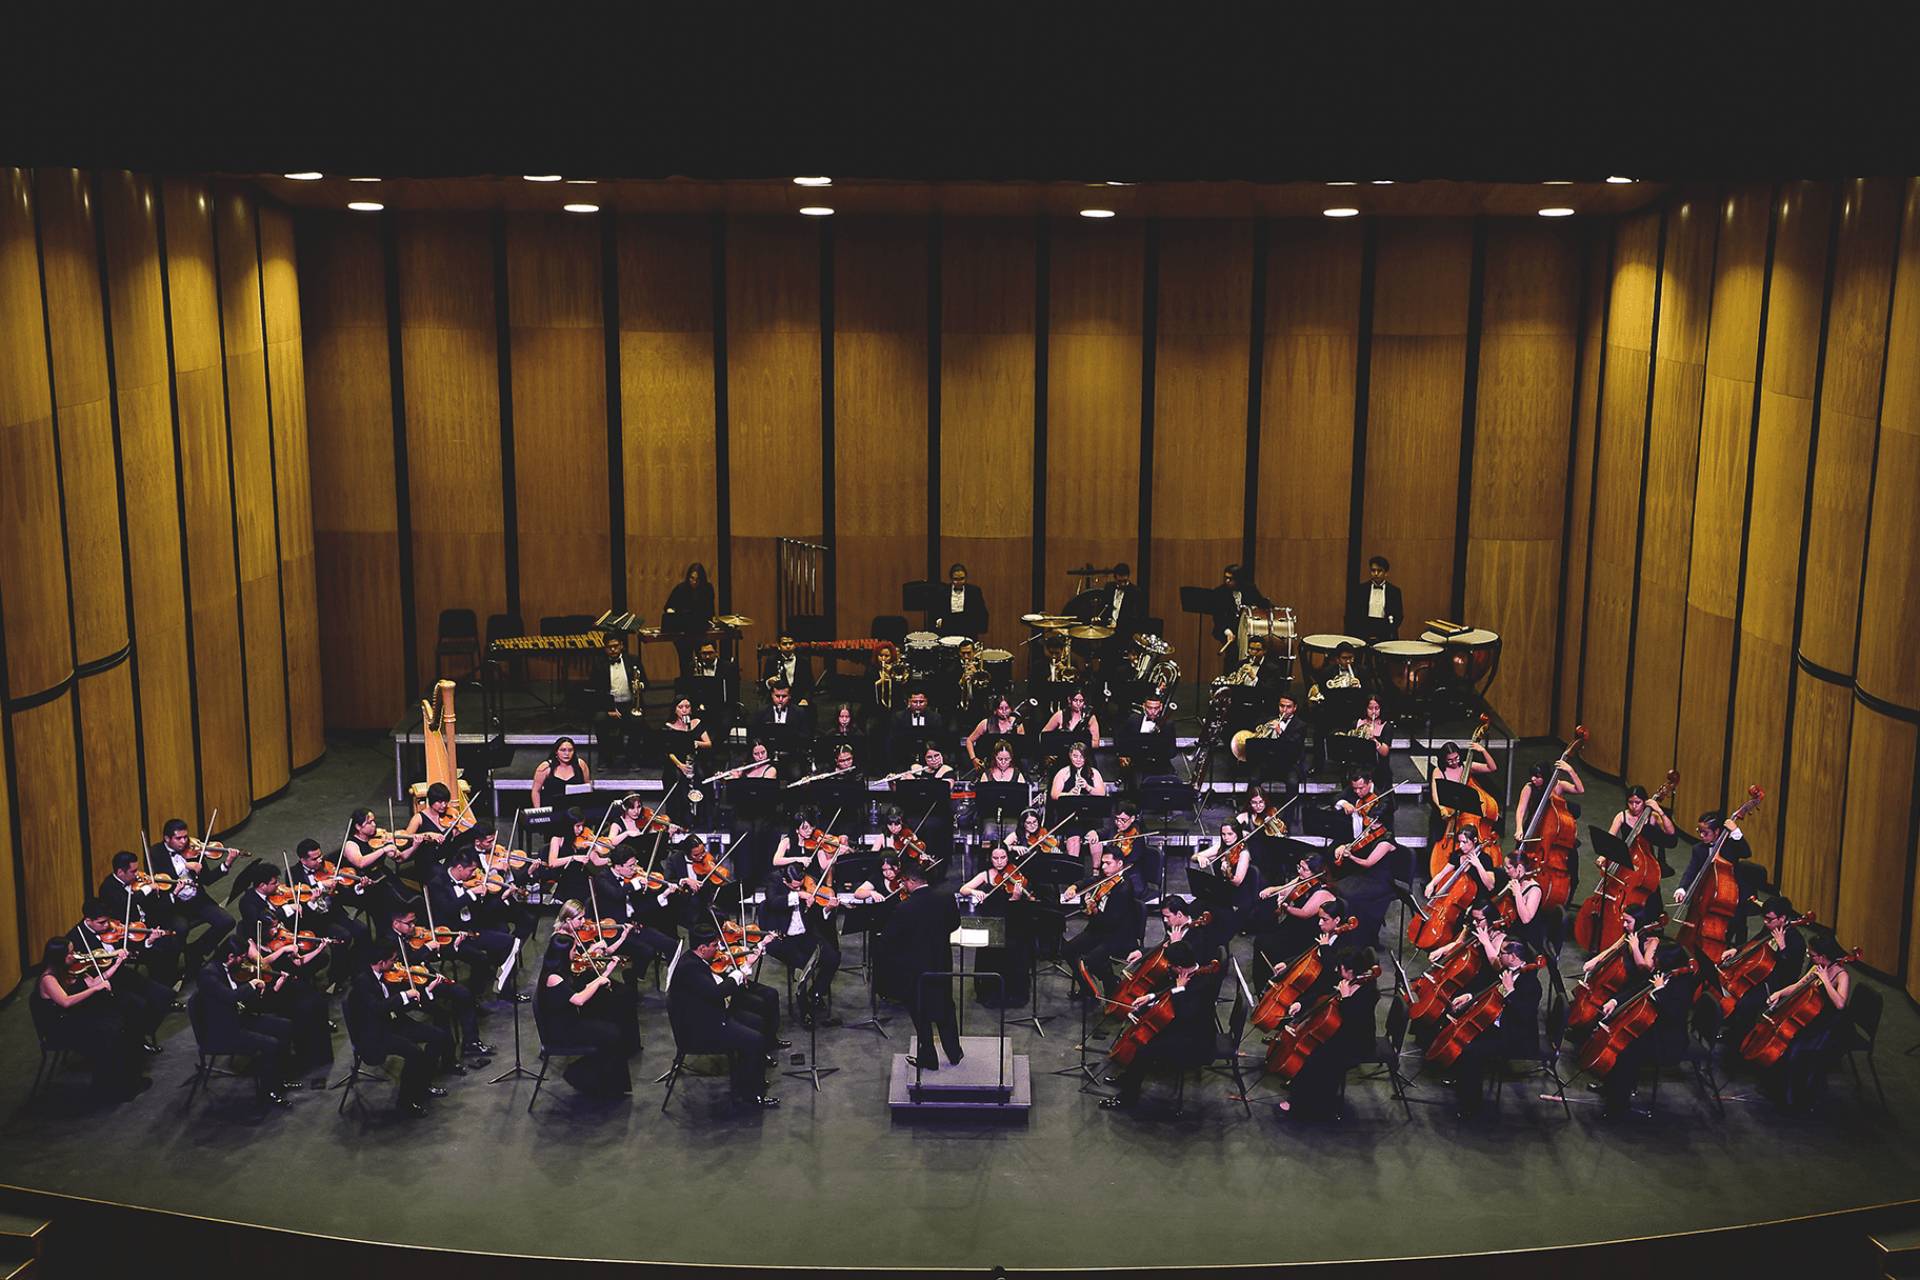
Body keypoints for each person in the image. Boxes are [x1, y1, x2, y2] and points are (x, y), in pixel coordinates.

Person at [1099, 941, 1217, 1110]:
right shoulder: (1187, 974)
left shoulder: (1204, 983)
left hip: (1195, 1039)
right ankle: (1129, 1077)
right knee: (1143, 1038)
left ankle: (1128, 1099)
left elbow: (1185, 1015)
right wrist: (1151, 997)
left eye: (1171, 966)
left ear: (1180, 968)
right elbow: (1169, 988)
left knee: (1144, 1049)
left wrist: (1179, 990)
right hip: (1183, 1026)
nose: (1168, 968)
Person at [668, 935, 782, 1107]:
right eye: (714, 945)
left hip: (707, 1015)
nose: (718, 948)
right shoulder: (691, 969)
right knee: (755, 1040)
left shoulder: (694, 960)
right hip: (701, 1029)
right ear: (702, 948)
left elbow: (709, 988)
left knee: (757, 1021)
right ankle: (752, 1095)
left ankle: (747, 1078)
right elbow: (716, 993)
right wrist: (742, 970)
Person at [1593, 941, 1700, 1119]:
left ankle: (1618, 1106)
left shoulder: (1682, 984)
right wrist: (1615, 1001)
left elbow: (1673, 1015)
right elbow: (1638, 988)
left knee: (1626, 1051)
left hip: (1669, 1040)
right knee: (1624, 1043)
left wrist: (1659, 991)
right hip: (1654, 1029)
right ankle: (1611, 1087)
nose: (1653, 960)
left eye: (1657, 958)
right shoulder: (1663, 972)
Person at [1440, 936, 1543, 1118]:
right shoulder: (1506, 970)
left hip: (1515, 1035)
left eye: (1502, 952)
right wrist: (1470, 996)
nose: (1498, 955)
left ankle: (1471, 1105)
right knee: (1463, 1034)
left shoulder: (1531, 984)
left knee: (1472, 1050)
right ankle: (1464, 1082)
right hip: (1497, 1024)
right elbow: (1488, 988)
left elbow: (1523, 1015)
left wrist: (1511, 992)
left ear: (1513, 957)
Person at [34, 936, 147, 1100]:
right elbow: (66, 1002)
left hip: (74, 1017)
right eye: (70, 953)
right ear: (58, 957)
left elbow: (95, 982)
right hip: (60, 1026)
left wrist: (116, 964)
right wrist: (96, 990)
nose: (75, 956)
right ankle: (110, 1088)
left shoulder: (71, 968)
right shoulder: (48, 979)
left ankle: (124, 1081)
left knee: (119, 1025)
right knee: (109, 1034)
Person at [347, 944, 452, 1116]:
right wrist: (405, 995)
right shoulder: (362, 983)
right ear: (381, 963)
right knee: (415, 1053)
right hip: (375, 1033)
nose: (397, 964)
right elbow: (377, 1009)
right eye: (393, 961)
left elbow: (400, 1005)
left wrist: (427, 990)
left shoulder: (388, 976)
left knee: (438, 1036)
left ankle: (422, 1084)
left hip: (393, 1023)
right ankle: (405, 1102)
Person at [1278, 946, 1381, 1118]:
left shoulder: (1369, 992)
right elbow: (1323, 995)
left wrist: (1346, 998)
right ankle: (1303, 1090)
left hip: (1357, 1041)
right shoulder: (1347, 980)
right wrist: (1301, 1004)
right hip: (1341, 1031)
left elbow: (1355, 1022)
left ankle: (1307, 1104)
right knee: (1317, 1049)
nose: (1337, 970)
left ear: (1350, 970)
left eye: (1340, 968)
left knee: (1319, 1056)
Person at [880, 860, 964, 1070]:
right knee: (945, 1007)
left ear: (910, 881)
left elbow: (891, 938)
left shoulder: (904, 907)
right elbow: (955, 923)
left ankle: (929, 1058)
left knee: (920, 1013)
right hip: (941, 961)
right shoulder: (946, 898)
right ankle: (954, 1053)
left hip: (915, 969)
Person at [384, 906, 495, 1060]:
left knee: (463, 993)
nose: (413, 927)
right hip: (412, 986)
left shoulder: (415, 934)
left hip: (428, 976)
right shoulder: (388, 941)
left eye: (414, 922)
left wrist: (453, 944)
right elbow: (404, 964)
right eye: (409, 924)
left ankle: (471, 1043)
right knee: (440, 1012)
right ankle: (447, 1058)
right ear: (396, 924)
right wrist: (425, 949)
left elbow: (437, 953)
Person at [536, 926, 635, 1097]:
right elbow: (579, 999)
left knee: (610, 1026)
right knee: (612, 1034)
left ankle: (605, 1082)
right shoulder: (553, 977)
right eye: (573, 949)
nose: (576, 953)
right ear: (563, 953)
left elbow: (580, 988)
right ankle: (580, 1075)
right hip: (562, 1030)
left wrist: (606, 973)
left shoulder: (562, 969)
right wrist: (596, 983)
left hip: (569, 1019)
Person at [195, 940, 295, 1106]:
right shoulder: (208, 975)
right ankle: (268, 1092)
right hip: (222, 1030)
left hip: (237, 1018)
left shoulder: (231, 969)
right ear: (230, 957)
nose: (244, 961)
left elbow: (241, 998)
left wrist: (267, 990)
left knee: (284, 1026)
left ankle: (279, 1079)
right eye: (241, 957)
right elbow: (231, 997)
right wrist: (251, 984)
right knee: (271, 1044)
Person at [149, 819, 236, 977]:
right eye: (179, 838)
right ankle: (170, 971)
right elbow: (162, 877)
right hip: (174, 904)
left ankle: (196, 950)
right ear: (167, 838)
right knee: (180, 929)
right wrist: (186, 866)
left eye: (185, 837)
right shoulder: (156, 852)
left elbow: (207, 879)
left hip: (197, 900)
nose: (184, 842)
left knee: (227, 921)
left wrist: (227, 864)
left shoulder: (193, 849)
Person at [1060, 844, 1144, 1002]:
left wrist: (1094, 910)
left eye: (1108, 863)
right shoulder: (1106, 877)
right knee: (1068, 950)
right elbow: (1091, 880)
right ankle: (1087, 989)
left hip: (1117, 934)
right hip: (1099, 928)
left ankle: (1111, 983)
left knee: (1092, 960)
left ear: (1119, 864)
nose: (1103, 867)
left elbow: (1112, 921)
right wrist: (1074, 887)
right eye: (1103, 863)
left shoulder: (1124, 888)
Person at [1330, 769, 1401, 946]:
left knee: (1353, 894)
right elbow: (1337, 799)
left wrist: (1350, 855)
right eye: (1355, 789)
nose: (1357, 793)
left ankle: (1361, 934)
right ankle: (1350, 931)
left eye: (1361, 788)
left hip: (1378, 877)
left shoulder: (1385, 837)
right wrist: (1346, 847)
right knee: (1341, 884)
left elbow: (1368, 863)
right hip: (1365, 870)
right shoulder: (1370, 832)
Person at [95, 850, 185, 989]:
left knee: (175, 937)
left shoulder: (137, 881)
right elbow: (126, 904)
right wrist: (147, 889)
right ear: (120, 872)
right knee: (158, 951)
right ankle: (161, 985)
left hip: (148, 923)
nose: (137, 874)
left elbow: (154, 905)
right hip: (129, 932)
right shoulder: (108, 888)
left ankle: (169, 978)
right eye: (133, 871)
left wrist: (168, 893)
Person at [959, 843, 1034, 1006]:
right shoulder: (985, 875)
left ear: (1008, 857)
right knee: (990, 955)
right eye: (995, 858)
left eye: (1003, 858)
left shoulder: (1016, 874)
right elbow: (963, 889)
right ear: (990, 858)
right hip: (991, 924)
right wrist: (974, 891)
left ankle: (1012, 992)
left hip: (1012, 925)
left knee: (1013, 952)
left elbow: (1022, 908)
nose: (999, 862)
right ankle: (990, 991)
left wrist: (1015, 898)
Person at [587, 631, 645, 766]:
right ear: (604, 648)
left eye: (615, 646)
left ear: (622, 646)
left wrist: (639, 686)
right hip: (609, 706)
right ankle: (605, 757)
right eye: (609, 647)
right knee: (600, 719)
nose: (613, 649)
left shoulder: (633, 660)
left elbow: (646, 683)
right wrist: (609, 709)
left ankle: (632, 757)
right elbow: (595, 690)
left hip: (630, 705)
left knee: (637, 721)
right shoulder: (598, 664)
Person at [1048, 740, 1107, 864]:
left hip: (1090, 817)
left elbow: (1102, 793)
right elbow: (1054, 794)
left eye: (1081, 757)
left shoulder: (1093, 773)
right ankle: (1073, 872)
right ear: (1070, 756)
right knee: (1073, 839)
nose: (1078, 760)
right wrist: (1069, 794)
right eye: (1075, 756)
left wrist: (1087, 787)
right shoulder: (1063, 773)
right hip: (1070, 817)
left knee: (1094, 838)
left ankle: (1096, 872)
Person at [530, 738, 593, 839]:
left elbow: (587, 787)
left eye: (570, 750)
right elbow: (535, 791)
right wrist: (539, 812)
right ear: (556, 751)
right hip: (555, 813)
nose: (567, 754)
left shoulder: (581, 765)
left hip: (576, 813)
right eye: (563, 750)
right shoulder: (545, 767)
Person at [661, 561, 716, 675]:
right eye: (692, 578)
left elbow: (710, 611)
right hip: (683, 633)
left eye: (697, 579)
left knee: (703, 661)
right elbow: (668, 607)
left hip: (700, 631)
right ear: (688, 577)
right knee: (686, 663)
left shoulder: (707, 589)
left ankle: (703, 687)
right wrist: (672, 612)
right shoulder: (681, 589)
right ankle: (686, 689)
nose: (694, 582)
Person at [1210, 563, 1270, 662]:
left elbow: (1261, 603)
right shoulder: (1219, 592)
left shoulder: (1249, 589)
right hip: (1229, 630)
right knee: (1232, 658)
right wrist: (1227, 631)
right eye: (1225, 578)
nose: (1227, 581)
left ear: (1239, 579)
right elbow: (1218, 617)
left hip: (1247, 632)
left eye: (1231, 579)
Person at [1344, 554, 1402, 644]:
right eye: (1373, 570)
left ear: (1386, 573)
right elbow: (1353, 613)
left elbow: (1399, 615)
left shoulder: (1394, 591)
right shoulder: (1360, 589)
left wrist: (1388, 629)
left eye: (1379, 571)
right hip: (1364, 630)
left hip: (1385, 632)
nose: (1376, 573)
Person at [965, 695, 1028, 769]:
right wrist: (973, 758)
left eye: (1006, 708)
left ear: (1011, 709)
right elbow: (969, 740)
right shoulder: (986, 723)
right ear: (995, 710)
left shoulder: (1017, 723)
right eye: (1001, 708)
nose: (1004, 711)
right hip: (991, 765)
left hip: (1012, 764)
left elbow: (1022, 746)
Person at [931, 561, 988, 638]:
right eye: (956, 579)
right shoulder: (942, 592)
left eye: (962, 579)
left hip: (967, 628)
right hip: (948, 628)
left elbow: (981, 610)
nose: (959, 582)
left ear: (966, 577)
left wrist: (978, 628)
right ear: (951, 579)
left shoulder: (974, 591)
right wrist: (939, 623)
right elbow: (936, 610)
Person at [758, 632, 815, 704]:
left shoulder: (804, 661)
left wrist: (806, 699)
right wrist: (769, 682)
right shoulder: (772, 661)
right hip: (779, 699)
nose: (788, 646)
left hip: (799, 699)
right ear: (779, 646)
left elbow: (810, 684)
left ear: (794, 645)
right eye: (784, 644)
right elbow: (764, 684)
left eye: (791, 643)